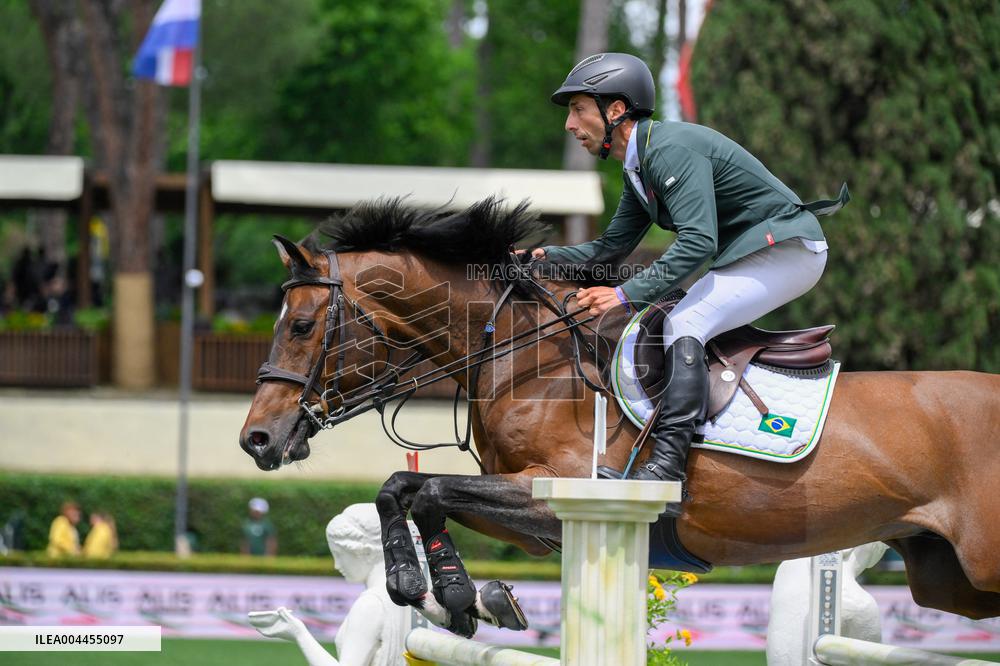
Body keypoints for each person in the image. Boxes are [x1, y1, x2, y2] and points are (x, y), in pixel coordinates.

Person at [530, 53, 848, 505]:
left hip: (788, 250)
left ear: (616, 110)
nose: (569, 124)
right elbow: (609, 248)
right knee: (677, 319)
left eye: (578, 109)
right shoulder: (640, 165)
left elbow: (698, 242)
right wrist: (539, 259)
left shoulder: (668, 150)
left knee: (684, 322)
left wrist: (624, 294)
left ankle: (669, 467)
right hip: (757, 253)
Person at [249, 504, 411, 666]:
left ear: (364, 551)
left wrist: (299, 633)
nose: (337, 565)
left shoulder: (371, 604)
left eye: (339, 554)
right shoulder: (411, 592)